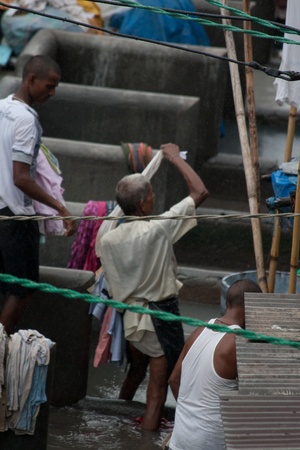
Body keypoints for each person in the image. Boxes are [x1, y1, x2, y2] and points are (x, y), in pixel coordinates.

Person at [98, 142, 209, 431]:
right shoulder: (157, 229)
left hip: (130, 319)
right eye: (152, 194)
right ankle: (146, 440)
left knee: (136, 371)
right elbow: (200, 192)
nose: (155, 197)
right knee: (157, 393)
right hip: (158, 319)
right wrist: (173, 158)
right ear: (144, 203)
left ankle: (117, 418)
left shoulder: (107, 238)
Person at [0, 54, 77, 335]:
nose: (52, 93)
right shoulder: (27, 120)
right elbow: (21, 177)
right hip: (15, 218)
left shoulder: (1, 108)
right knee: (23, 289)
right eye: (49, 85)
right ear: (31, 80)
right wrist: (60, 207)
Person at [168, 279, 262, 450]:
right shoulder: (240, 342)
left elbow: (174, 380)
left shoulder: (199, 331)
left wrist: (191, 415)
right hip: (210, 442)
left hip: (179, 439)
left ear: (227, 303)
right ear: (254, 309)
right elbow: (258, 399)